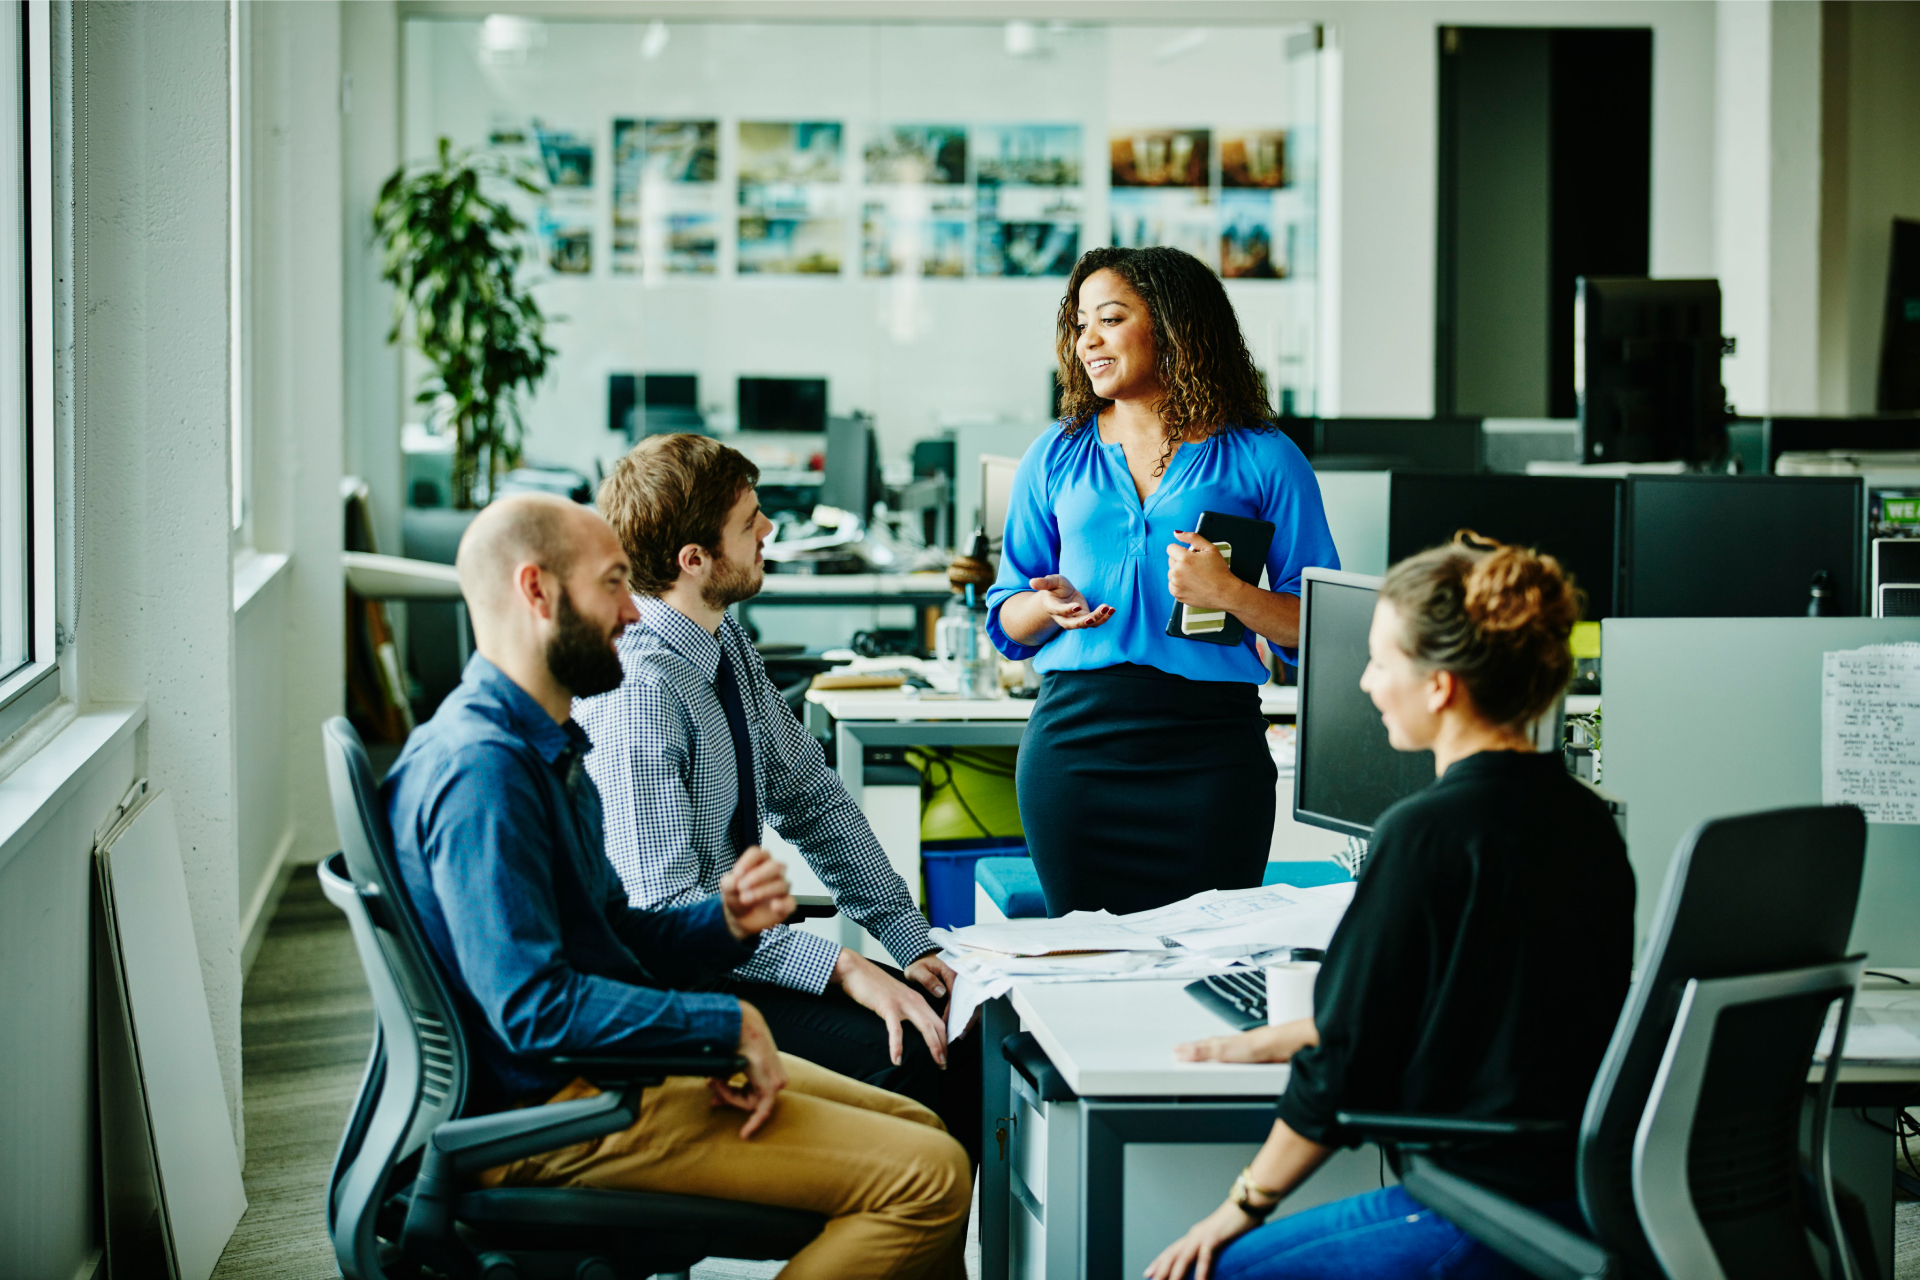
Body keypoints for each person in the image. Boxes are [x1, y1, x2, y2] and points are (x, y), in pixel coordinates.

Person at [384, 493, 969, 1280]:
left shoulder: (543, 739)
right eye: (613, 585)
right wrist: (720, 1024)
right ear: (537, 591)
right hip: (562, 1110)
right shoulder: (482, 771)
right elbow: (534, 1008)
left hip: (608, 1072)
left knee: (927, 1128)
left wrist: (722, 923)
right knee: (928, 1179)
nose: (633, 611)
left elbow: (615, 934)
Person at [1145, 534, 1635, 1280]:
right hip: (1584, 1193)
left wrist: (1237, 1207)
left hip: (1478, 1205)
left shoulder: (1429, 833)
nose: (1368, 683)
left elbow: (1344, 1071)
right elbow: (1490, 999)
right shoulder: (1584, 817)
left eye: (1381, 662)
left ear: (1439, 685)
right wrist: (1292, 1032)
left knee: (1216, 1270)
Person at [576, 433, 981, 1164]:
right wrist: (842, 967)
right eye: (749, 522)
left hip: (736, 959)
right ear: (692, 561)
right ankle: (885, 1222)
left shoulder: (721, 644)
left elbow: (812, 799)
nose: (770, 531)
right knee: (923, 1058)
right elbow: (666, 913)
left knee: (958, 1024)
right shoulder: (640, 694)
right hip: (680, 991)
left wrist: (906, 941)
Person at [987, 245, 1340, 916]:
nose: (1087, 339)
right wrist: (1045, 606)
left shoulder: (1264, 456)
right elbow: (1005, 618)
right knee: (1088, 963)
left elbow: (1322, 630)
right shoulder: (1056, 452)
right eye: (1080, 322)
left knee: (1211, 966)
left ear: (1175, 326)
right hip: (1075, 751)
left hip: (1210, 755)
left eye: (1110, 318)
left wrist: (1230, 595)